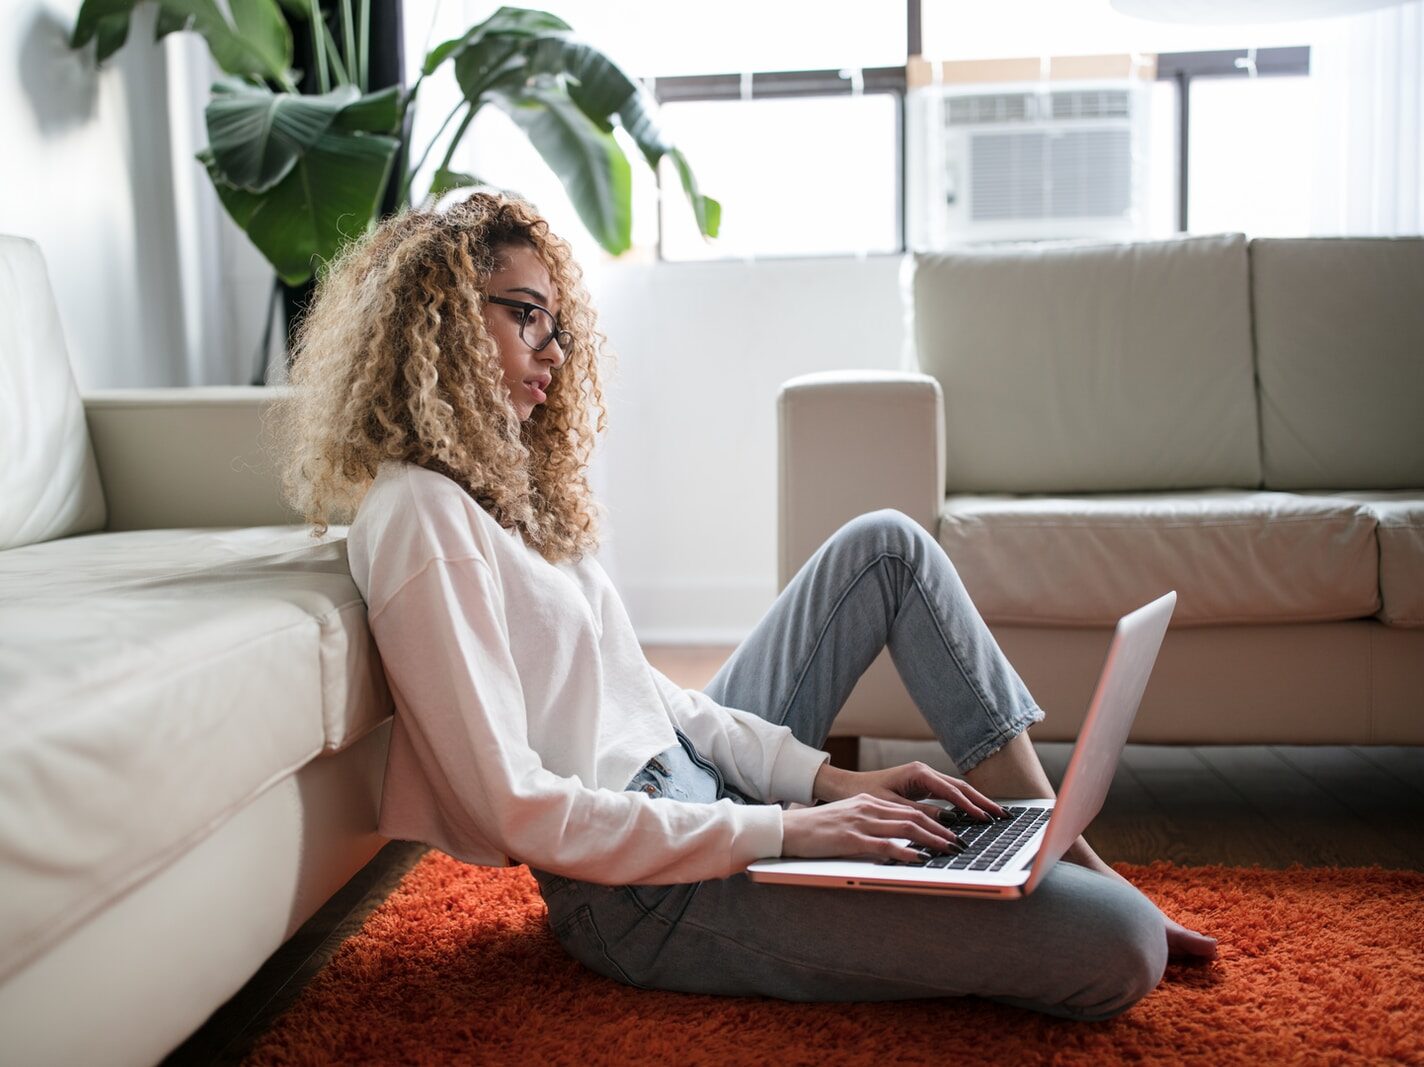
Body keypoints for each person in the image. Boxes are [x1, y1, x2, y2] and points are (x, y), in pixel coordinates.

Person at [267, 190, 1216, 1022]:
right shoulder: (418, 516)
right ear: (436, 320)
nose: (552, 349)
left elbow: (651, 697)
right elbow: (515, 807)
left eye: (557, 322)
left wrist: (823, 784)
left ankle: (1049, 839)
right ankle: (1059, 881)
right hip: (637, 892)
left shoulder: (509, 493)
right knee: (1122, 946)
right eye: (526, 315)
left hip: (695, 789)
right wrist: (785, 829)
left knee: (885, 544)